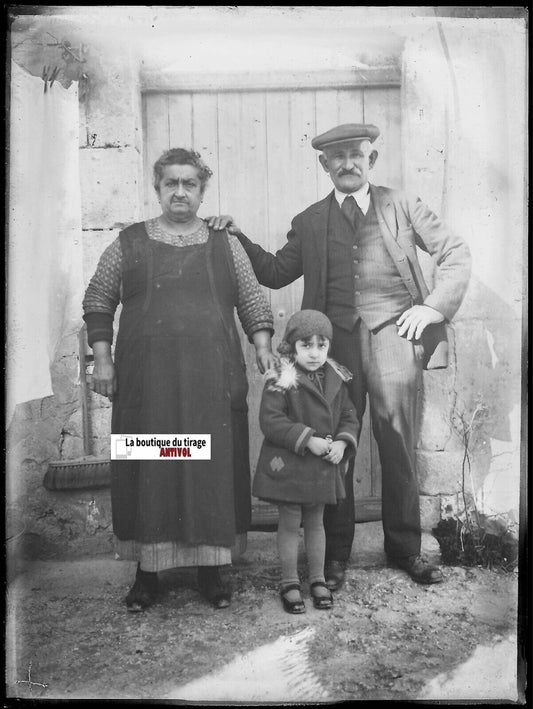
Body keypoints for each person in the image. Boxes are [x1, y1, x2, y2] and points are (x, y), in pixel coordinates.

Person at [213, 123, 472, 587]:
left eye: (357, 155)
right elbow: (273, 271)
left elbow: (455, 252)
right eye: (338, 157)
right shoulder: (311, 220)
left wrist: (431, 308)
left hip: (395, 338)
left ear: (370, 160)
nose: (348, 164)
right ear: (324, 165)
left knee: (396, 445)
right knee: (336, 448)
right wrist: (237, 235)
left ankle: (405, 549)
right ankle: (335, 555)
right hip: (332, 352)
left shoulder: (403, 206)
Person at [82, 147, 275, 611]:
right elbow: (98, 300)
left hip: (210, 383)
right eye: (172, 183)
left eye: (190, 184)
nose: (181, 192)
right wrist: (103, 360)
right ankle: (148, 575)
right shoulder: (129, 242)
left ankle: (213, 572)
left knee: (208, 470)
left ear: (202, 190)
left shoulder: (224, 243)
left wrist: (264, 346)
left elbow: (252, 301)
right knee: (152, 467)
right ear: (158, 188)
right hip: (150, 389)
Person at [253, 310, 358, 614]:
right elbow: (270, 420)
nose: (314, 354)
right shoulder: (282, 377)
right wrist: (307, 437)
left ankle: (317, 579)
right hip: (291, 464)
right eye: (306, 346)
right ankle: (288, 582)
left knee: (316, 523)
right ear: (292, 346)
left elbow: (349, 415)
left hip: (322, 465)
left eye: (321, 346)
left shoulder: (337, 377)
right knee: (288, 522)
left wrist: (342, 441)